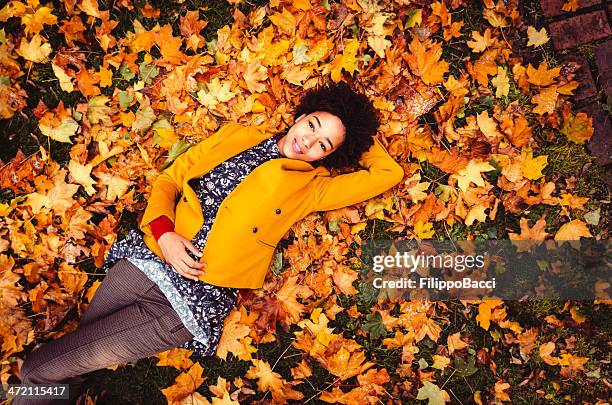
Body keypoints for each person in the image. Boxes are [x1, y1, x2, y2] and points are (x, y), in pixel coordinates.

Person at [14, 80, 404, 404]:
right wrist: (165, 233)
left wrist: (351, 131)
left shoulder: (311, 187)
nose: (309, 140)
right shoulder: (236, 136)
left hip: (188, 302)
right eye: (313, 125)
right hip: (148, 258)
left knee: (36, 369)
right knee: (74, 359)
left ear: (328, 159)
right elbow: (168, 180)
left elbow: (387, 173)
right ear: (301, 116)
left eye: (324, 146)